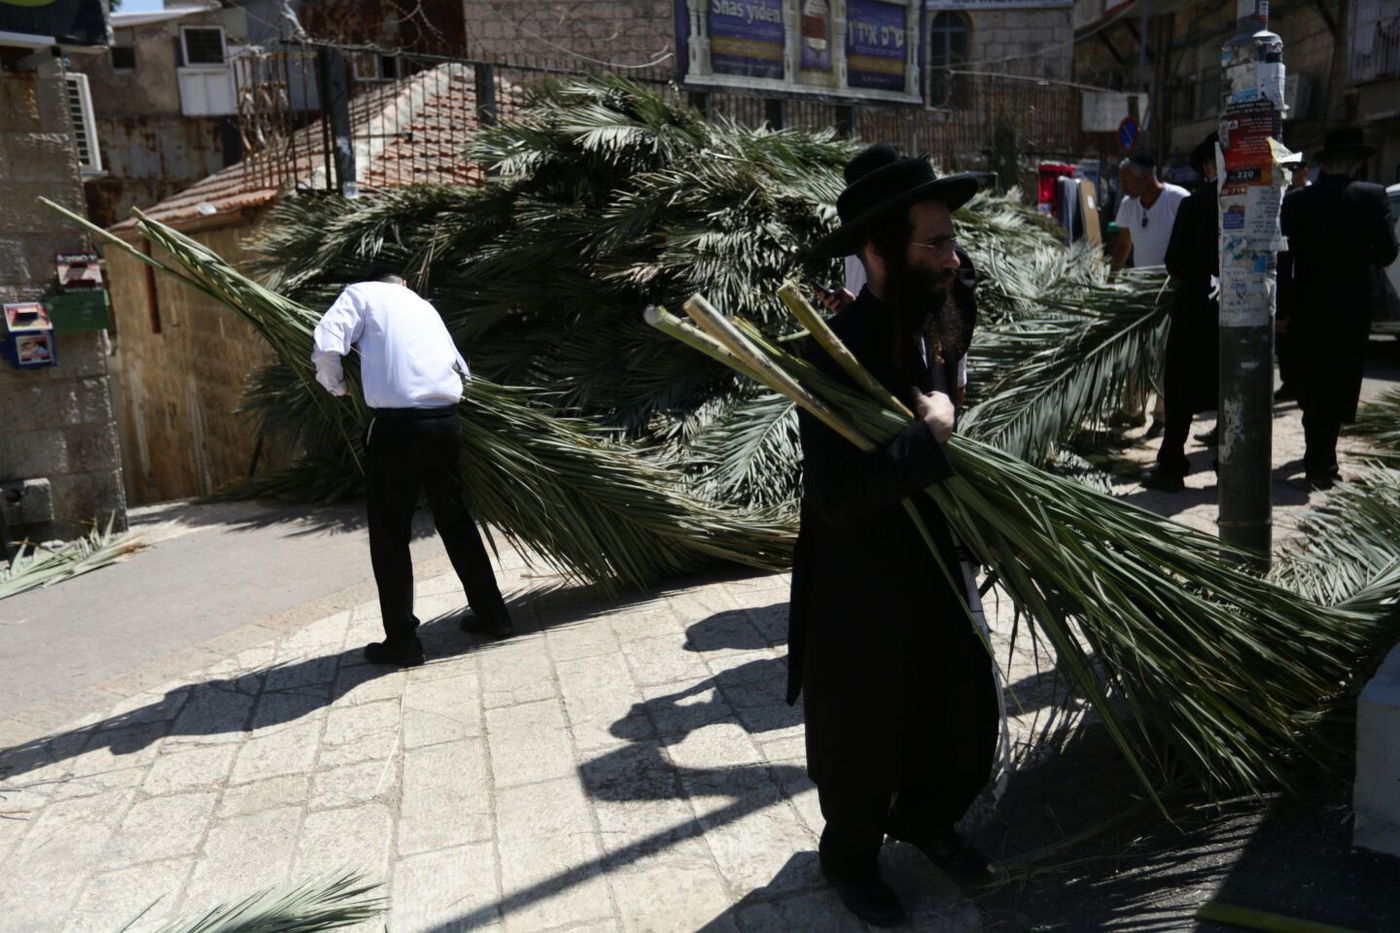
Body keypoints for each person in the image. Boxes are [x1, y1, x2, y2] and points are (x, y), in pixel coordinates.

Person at [790, 143, 1000, 927]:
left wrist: (953, 414)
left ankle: (925, 818)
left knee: (961, 709)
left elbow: (953, 389)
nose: (955, 257)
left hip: (937, 556)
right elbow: (838, 495)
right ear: (878, 250)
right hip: (862, 572)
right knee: (865, 730)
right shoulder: (832, 352)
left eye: (953, 239)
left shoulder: (942, 314)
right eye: (936, 243)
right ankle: (849, 855)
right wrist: (930, 436)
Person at [312, 265, 513, 666]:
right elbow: (462, 368)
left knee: (390, 535)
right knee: (456, 521)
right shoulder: (424, 306)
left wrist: (336, 385)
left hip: (399, 429)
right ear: (402, 282)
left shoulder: (359, 294)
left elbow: (327, 342)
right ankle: (493, 615)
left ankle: (403, 642)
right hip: (446, 423)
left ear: (374, 281)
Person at [1278, 128, 1399, 491]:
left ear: (1324, 165)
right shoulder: (1373, 197)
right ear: (1359, 164)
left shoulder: (1298, 201)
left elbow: (1284, 260)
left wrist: (1282, 308)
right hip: (1350, 305)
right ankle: (1322, 461)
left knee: (1312, 380)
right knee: (1339, 380)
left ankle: (1317, 455)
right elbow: (1388, 253)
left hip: (1307, 304)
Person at [1142, 133, 1222, 491]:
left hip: (1196, 310)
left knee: (1182, 387)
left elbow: (1174, 263)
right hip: (1243, 315)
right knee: (1232, 388)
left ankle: (1171, 465)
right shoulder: (1261, 201)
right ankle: (1232, 468)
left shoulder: (1196, 204)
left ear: (1207, 166)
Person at [1111, 151, 1190, 438]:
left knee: (1166, 356)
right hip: (1141, 291)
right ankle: (1132, 408)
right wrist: (1113, 280)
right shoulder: (1129, 205)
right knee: (1135, 351)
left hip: (1171, 290)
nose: (1122, 186)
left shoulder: (1178, 199)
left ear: (1145, 179)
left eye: (1126, 181)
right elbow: (1123, 244)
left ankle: (1162, 415)